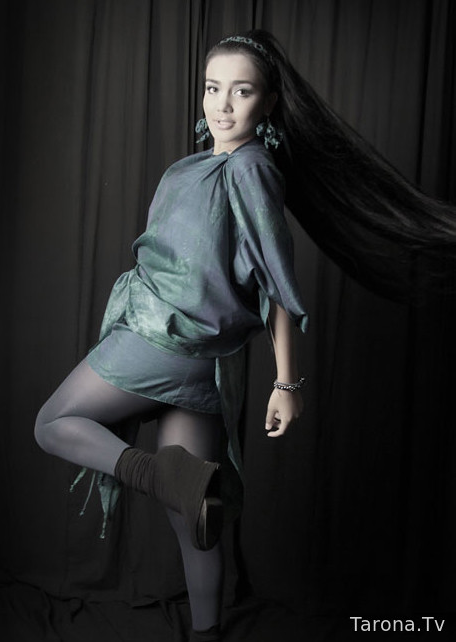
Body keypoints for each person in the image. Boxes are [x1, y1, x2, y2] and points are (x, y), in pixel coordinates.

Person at [34, 30, 455, 642]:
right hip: (201, 363)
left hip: (163, 341)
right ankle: (208, 632)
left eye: (242, 91)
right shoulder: (206, 164)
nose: (223, 105)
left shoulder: (252, 169)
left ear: (269, 102)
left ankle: (158, 475)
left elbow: (275, 285)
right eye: (213, 88)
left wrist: (287, 384)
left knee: (52, 423)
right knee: (192, 518)